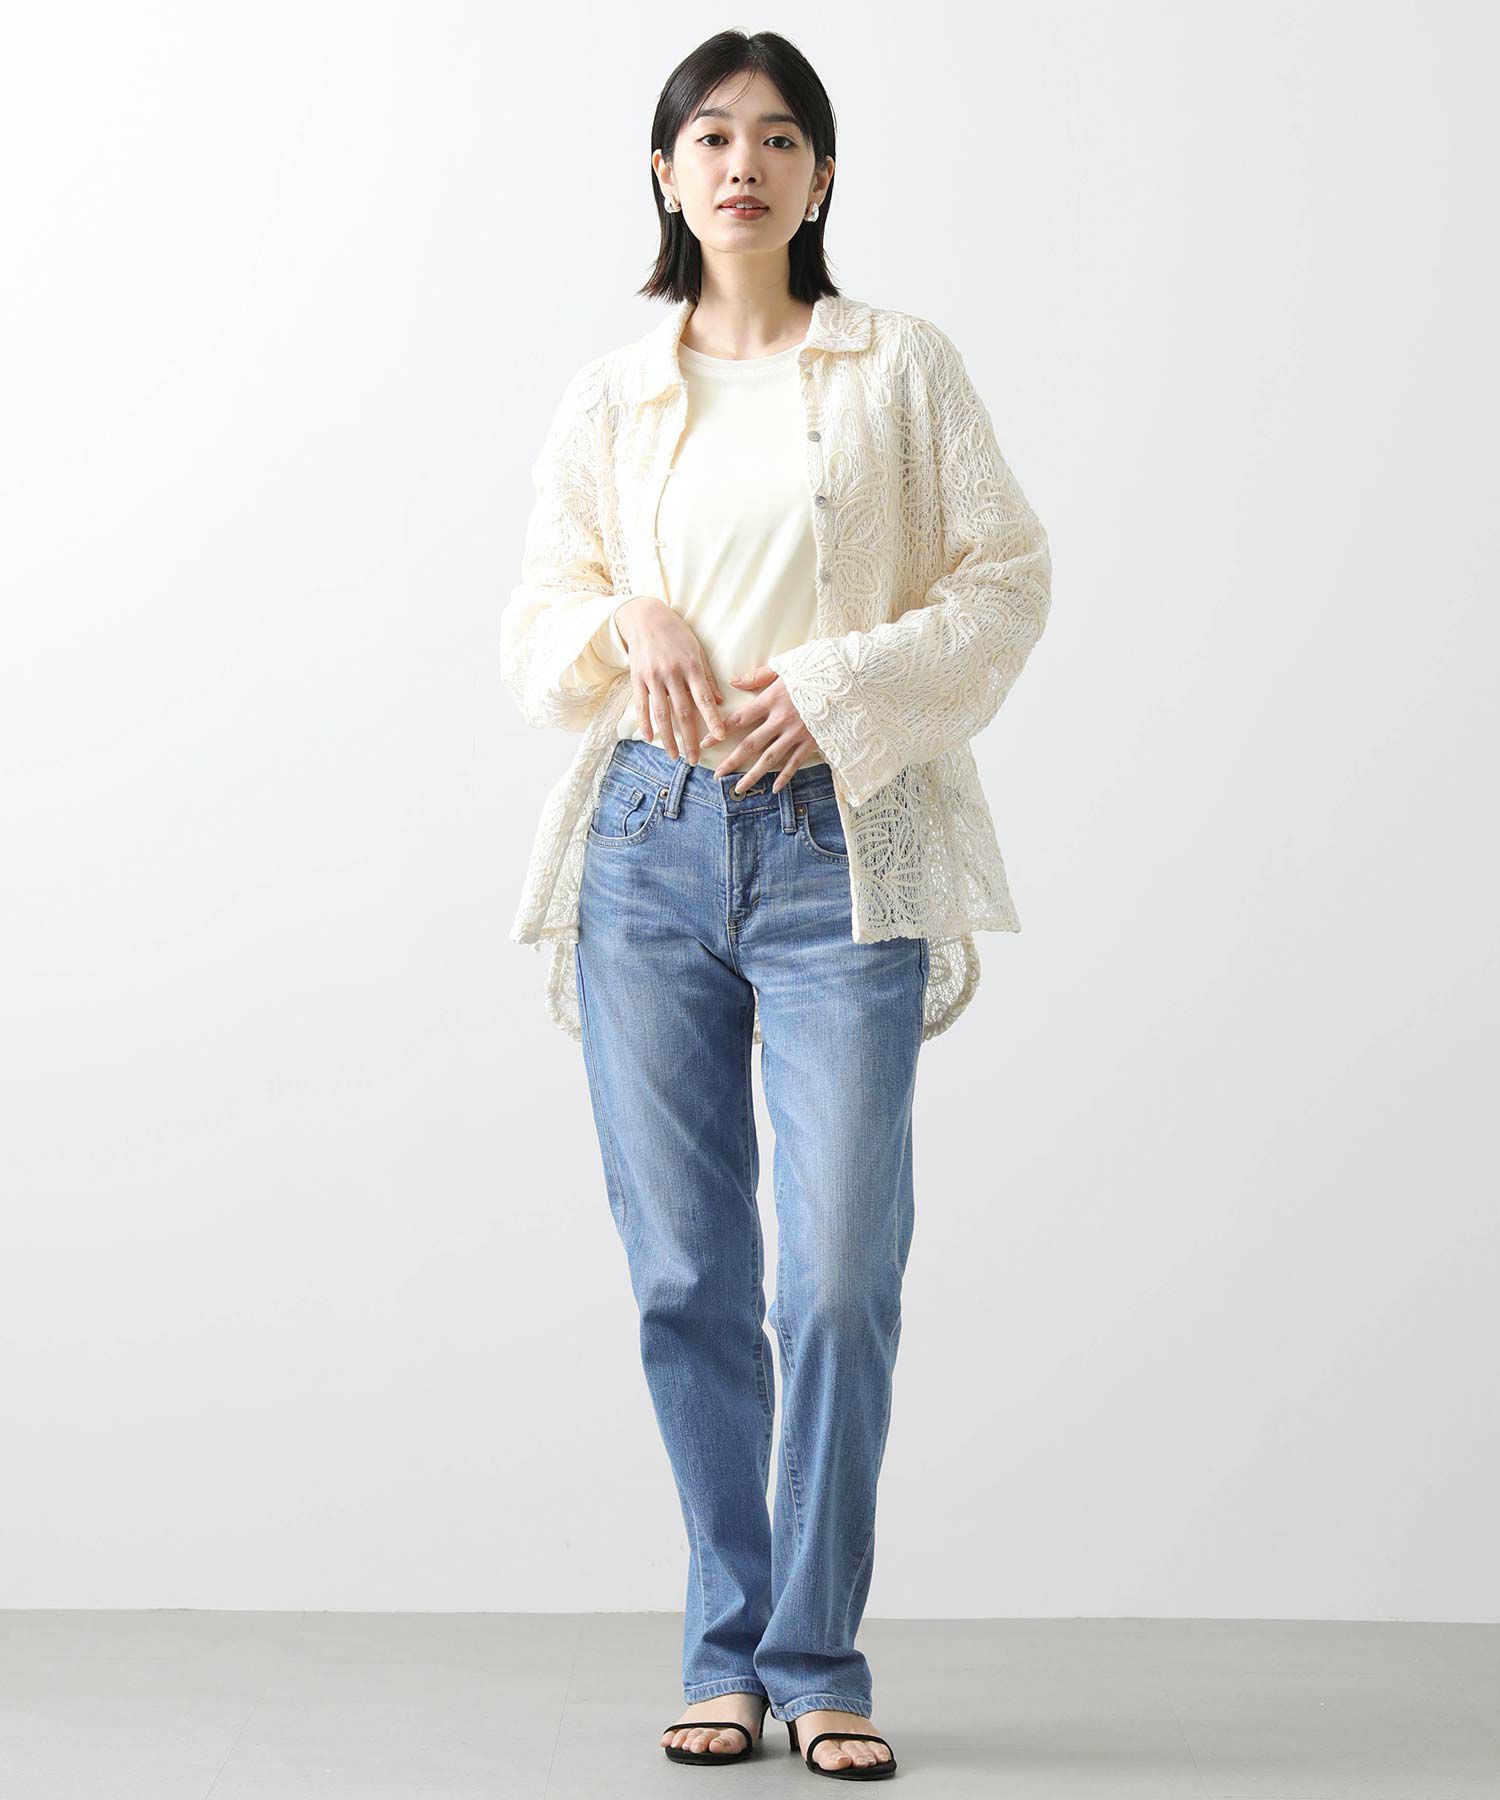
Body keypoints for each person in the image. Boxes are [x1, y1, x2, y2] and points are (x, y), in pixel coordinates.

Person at [499, 29, 1052, 1782]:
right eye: (712, 136)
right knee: (685, 1273)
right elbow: (535, 625)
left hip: (841, 852)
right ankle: (726, 1651)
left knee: (834, 1277)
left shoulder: (900, 368)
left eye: (780, 137)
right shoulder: (613, 395)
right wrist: (627, 619)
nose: (743, 164)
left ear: (822, 178)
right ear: (665, 173)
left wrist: (836, 683)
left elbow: (1006, 580)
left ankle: (819, 1659)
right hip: (646, 848)